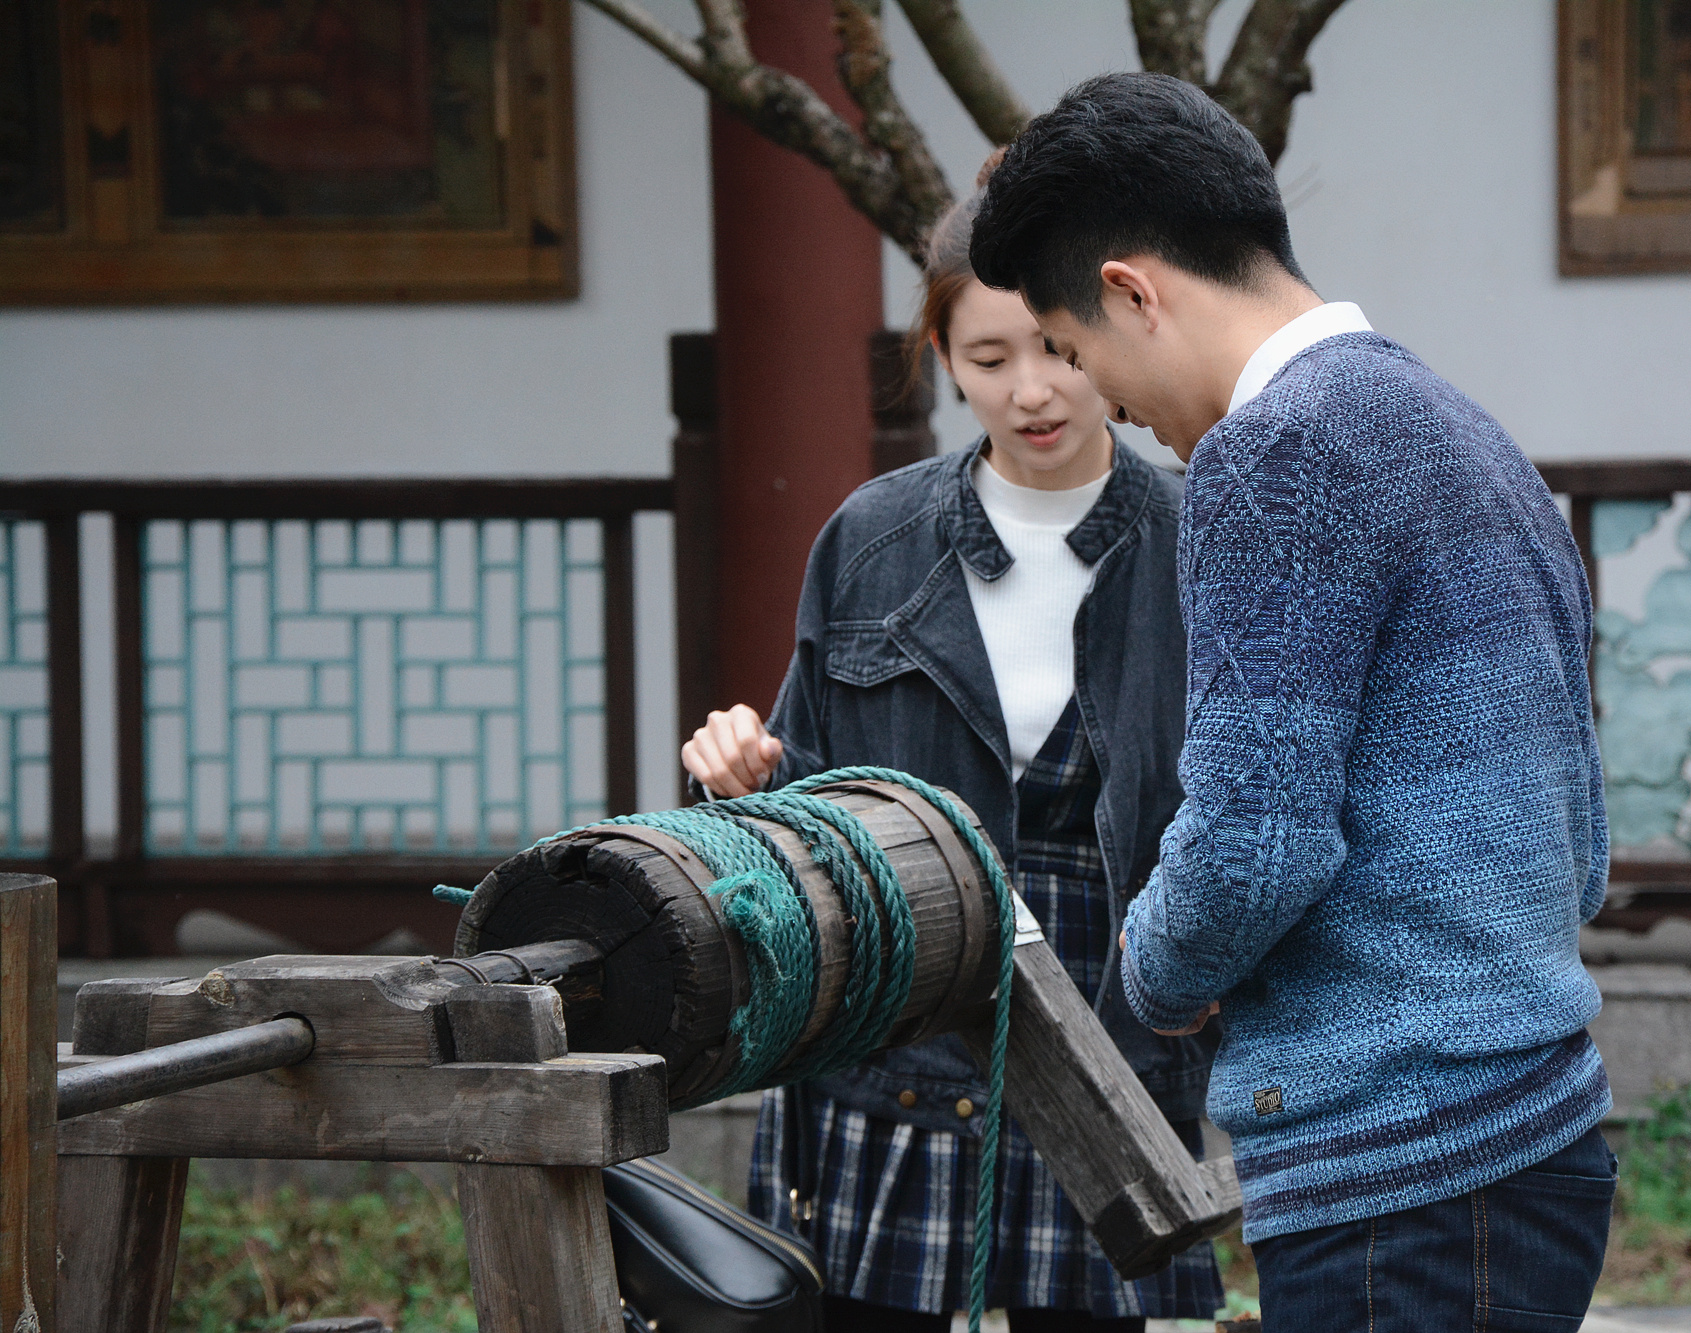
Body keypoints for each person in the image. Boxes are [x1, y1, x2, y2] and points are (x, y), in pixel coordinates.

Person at [969, 73, 1616, 1333]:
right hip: (1526, 1131)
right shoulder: (1449, 421)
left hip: (1402, 1171)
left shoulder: (1274, 452)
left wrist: (1155, 973)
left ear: (1131, 292)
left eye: (1077, 352)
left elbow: (1253, 845)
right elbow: (1577, 836)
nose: (1103, 399)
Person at [680, 177, 1223, 1333]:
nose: (1029, 391)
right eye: (986, 358)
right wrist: (737, 774)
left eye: (1053, 349)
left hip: (1107, 1038)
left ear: (1102, 327)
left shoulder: (1195, 537)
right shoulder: (871, 540)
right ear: (938, 356)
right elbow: (806, 805)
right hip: (904, 1030)